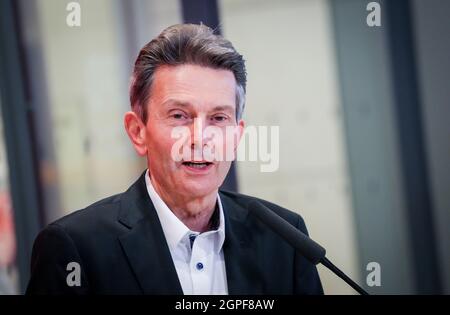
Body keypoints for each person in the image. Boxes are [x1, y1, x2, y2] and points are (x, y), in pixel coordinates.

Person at [26, 24, 323, 295]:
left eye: (219, 118)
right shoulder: (75, 249)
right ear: (138, 131)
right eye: (179, 116)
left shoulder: (285, 240)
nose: (199, 137)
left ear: (236, 136)